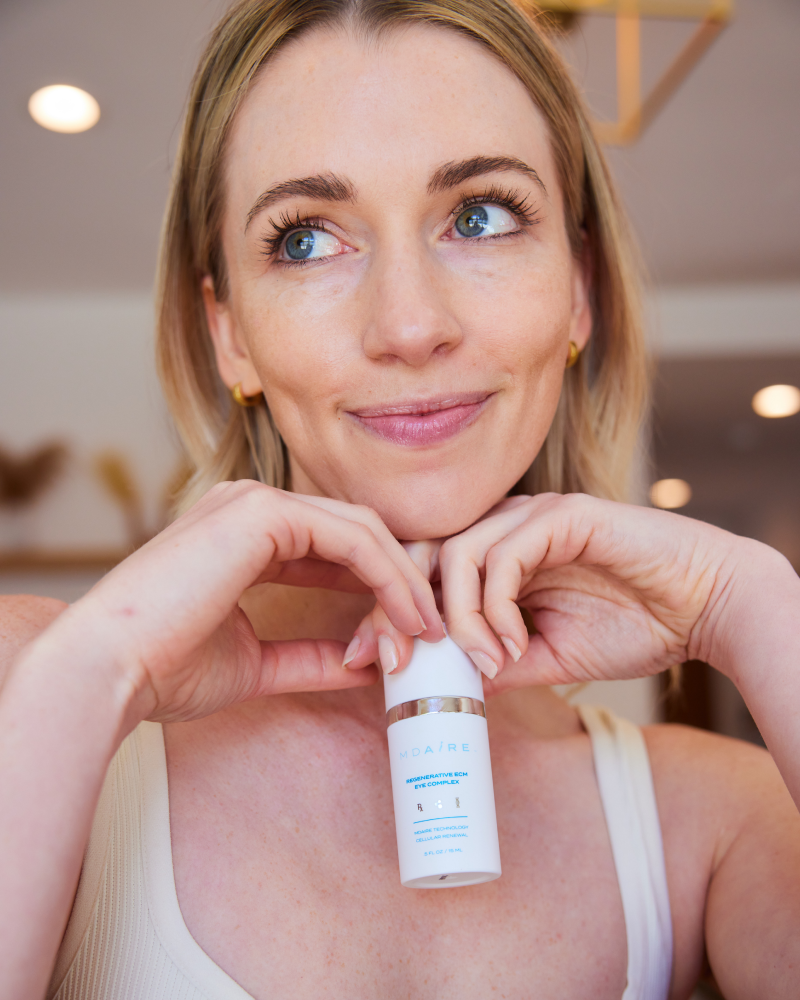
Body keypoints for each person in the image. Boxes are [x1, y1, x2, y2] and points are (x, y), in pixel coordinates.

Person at [1, 1, 799, 997]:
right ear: (229, 334)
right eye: (303, 240)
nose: (409, 323)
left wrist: (756, 607)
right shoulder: (32, 687)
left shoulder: (713, 820)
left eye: (479, 215)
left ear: (577, 288)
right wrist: (88, 681)